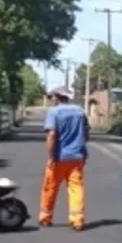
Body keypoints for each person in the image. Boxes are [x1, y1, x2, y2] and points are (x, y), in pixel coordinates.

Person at [40, 86, 90, 231]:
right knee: (76, 188)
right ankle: (77, 220)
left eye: (51, 97)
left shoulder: (54, 112)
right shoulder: (80, 111)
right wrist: (83, 151)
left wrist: (51, 156)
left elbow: (51, 135)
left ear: (56, 97)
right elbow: (86, 133)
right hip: (77, 157)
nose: (51, 100)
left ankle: (45, 217)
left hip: (60, 157)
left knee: (50, 187)